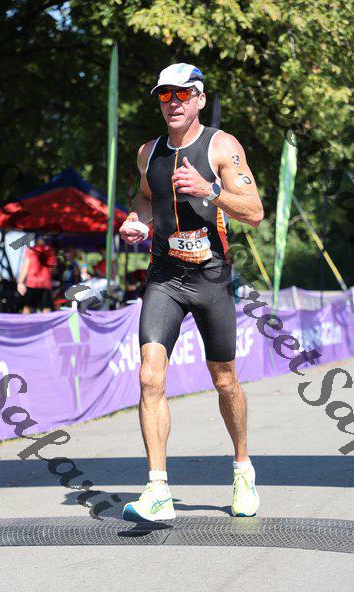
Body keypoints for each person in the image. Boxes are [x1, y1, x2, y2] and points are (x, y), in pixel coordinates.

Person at [119, 63, 264, 522]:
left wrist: (210, 190)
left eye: (182, 94)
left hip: (211, 277)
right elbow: (146, 196)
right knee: (149, 377)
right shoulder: (148, 152)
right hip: (165, 275)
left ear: (199, 99)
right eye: (165, 96)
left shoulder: (222, 147)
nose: (173, 103)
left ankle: (242, 468)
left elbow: (254, 211)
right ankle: (158, 490)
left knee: (224, 380)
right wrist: (136, 220)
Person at [17, 235, 56, 313]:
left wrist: (20, 282)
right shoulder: (50, 251)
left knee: (28, 307)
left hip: (32, 283)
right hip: (44, 283)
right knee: (46, 308)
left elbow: (25, 266)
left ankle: (26, 321)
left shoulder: (30, 250)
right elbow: (53, 269)